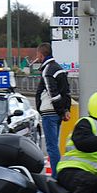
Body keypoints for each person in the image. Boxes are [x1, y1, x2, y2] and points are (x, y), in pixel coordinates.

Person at [34, 42, 71, 178]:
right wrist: (65, 110)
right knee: (55, 145)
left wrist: (61, 110)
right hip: (57, 112)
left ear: (41, 54)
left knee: (52, 147)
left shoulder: (47, 70)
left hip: (50, 113)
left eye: (37, 54)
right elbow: (66, 91)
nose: (36, 57)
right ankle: (58, 173)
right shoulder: (58, 68)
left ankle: (56, 176)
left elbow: (52, 93)